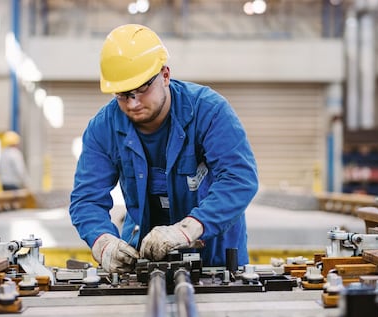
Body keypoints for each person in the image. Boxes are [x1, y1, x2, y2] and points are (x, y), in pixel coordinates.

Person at [69, 24, 259, 274]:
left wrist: (188, 229)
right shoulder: (103, 128)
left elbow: (239, 178)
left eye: (142, 88)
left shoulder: (208, 111)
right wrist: (102, 242)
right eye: (123, 94)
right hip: (142, 252)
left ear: (165, 75)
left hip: (214, 253)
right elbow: (87, 198)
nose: (133, 103)